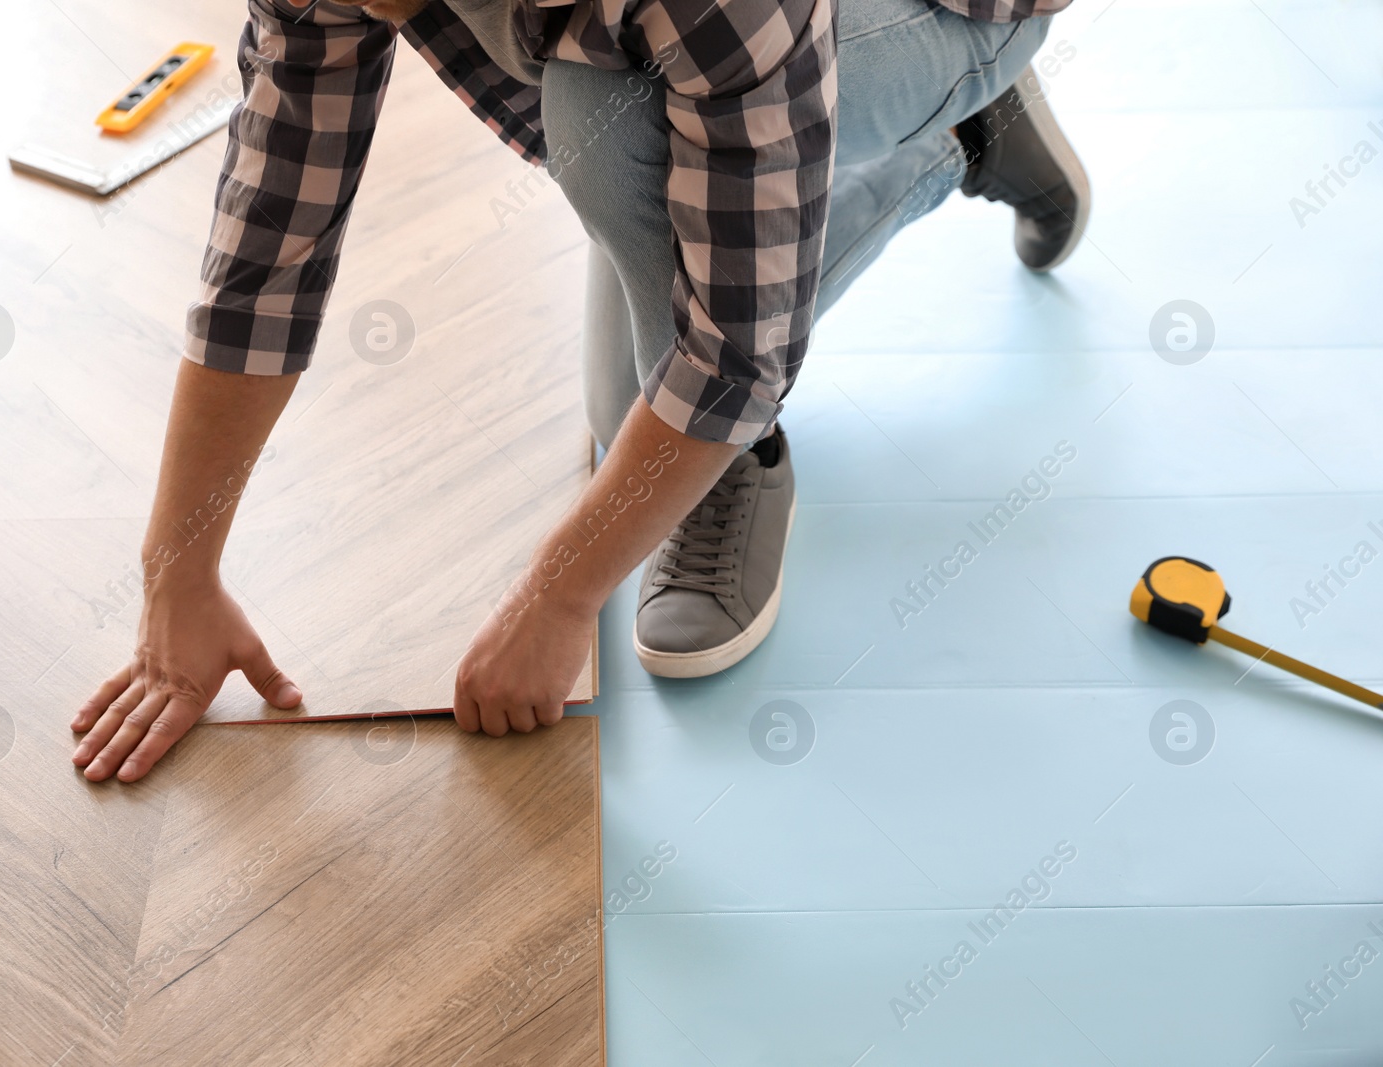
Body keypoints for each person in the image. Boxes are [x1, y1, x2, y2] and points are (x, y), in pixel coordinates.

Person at [71, 0, 1087, 782]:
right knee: (631, 409)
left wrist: (558, 595)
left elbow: (738, 350)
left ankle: (952, 124)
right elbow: (266, 255)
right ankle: (959, 144)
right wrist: (177, 574)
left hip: (943, 17)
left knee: (613, 114)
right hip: (716, 48)